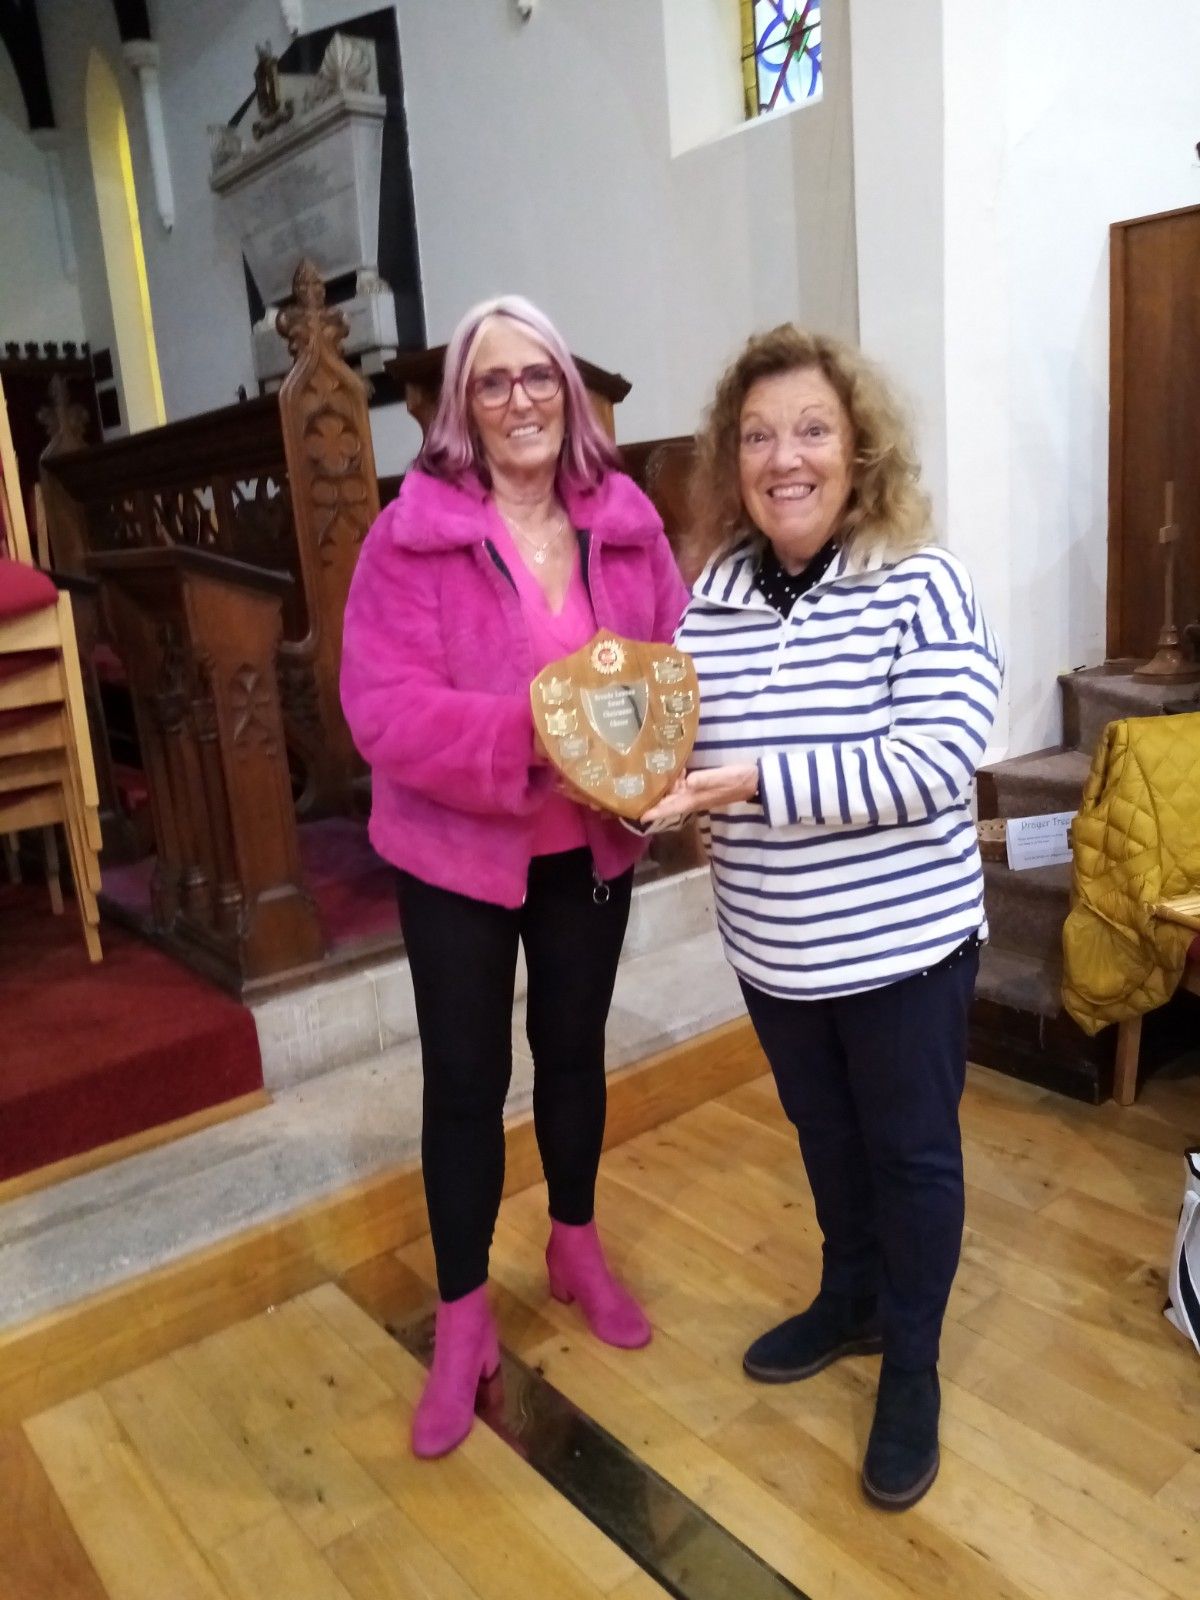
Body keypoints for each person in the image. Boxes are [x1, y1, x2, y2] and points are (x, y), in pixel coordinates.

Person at [642, 325, 1002, 1510]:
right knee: (827, 1140)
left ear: (859, 447)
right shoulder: (710, 605)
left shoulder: (922, 582)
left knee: (910, 1155)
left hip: (903, 950)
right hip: (774, 949)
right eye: (756, 437)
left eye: (810, 430)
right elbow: (675, 748)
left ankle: (912, 1361)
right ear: (731, 460)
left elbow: (938, 760)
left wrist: (755, 781)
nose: (782, 458)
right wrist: (635, 784)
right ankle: (851, 1297)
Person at [341, 296, 688, 1459]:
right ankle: (462, 1319)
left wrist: (664, 762)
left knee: (575, 1051)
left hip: (590, 845)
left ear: (569, 392)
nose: (520, 398)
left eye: (538, 375)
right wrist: (536, 734)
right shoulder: (410, 538)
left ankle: (574, 1245)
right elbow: (381, 708)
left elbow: (677, 658)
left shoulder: (626, 525)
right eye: (492, 382)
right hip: (456, 853)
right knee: (465, 1080)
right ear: (461, 408)